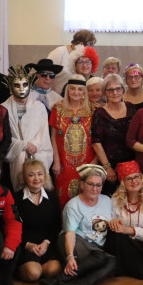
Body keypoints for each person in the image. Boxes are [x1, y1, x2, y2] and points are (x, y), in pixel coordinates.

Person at [41, 165, 118, 285]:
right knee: (100, 258)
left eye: (99, 185)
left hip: (95, 248)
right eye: (91, 184)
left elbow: (113, 222)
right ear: (82, 184)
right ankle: (57, 280)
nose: (95, 189)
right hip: (73, 241)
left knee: (112, 262)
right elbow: (70, 233)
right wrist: (70, 256)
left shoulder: (107, 200)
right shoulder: (74, 205)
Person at [2, 64, 54, 193]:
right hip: (14, 158)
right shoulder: (3, 109)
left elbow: (43, 133)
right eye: (17, 85)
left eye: (24, 85)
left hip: (37, 153)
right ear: (10, 86)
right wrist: (23, 145)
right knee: (18, 194)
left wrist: (34, 145)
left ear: (30, 85)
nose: (21, 89)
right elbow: (4, 136)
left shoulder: (39, 107)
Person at [107, 161, 143, 277]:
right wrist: (114, 222)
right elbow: (112, 223)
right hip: (124, 247)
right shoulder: (115, 200)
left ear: (142, 178)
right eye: (129, 179)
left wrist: (129, 230)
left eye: (136, 177)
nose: (134, 181)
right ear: (123, 183)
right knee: (113, 234)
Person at [13, 158, 62, 284]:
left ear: (45, 176)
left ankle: (40, 269)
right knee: (33, 273)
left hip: (46, 245)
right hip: (25, 246)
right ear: (24, 178)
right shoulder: (16, 199)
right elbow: (13, 228)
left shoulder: (52, 197)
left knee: (53, 270)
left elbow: (57, 226)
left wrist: (46, 243)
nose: (36, 178)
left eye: (40, 174)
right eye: (31, 175)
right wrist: (28, 245)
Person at [50, 75, 96, 206]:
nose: (76, 92)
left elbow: (98, 139)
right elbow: (53, 137)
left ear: (84, 92)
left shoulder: (92, 109)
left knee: (87, 195)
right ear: (67, 90)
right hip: (64, 164)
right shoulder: (58, 109)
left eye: (80, 89)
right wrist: (57, 161)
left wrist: (94, 163)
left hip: (87, 163)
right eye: (73, 89)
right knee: (63, 197)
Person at [90, 73, 134, 193]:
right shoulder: (100, 113)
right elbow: (96, 143)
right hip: (110, 165)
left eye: (118, 88)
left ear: (123, 90)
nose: (115, 93)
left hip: (132, 164)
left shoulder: (131, 108)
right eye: (110, 90)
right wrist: (107, 167)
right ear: (105, 92)